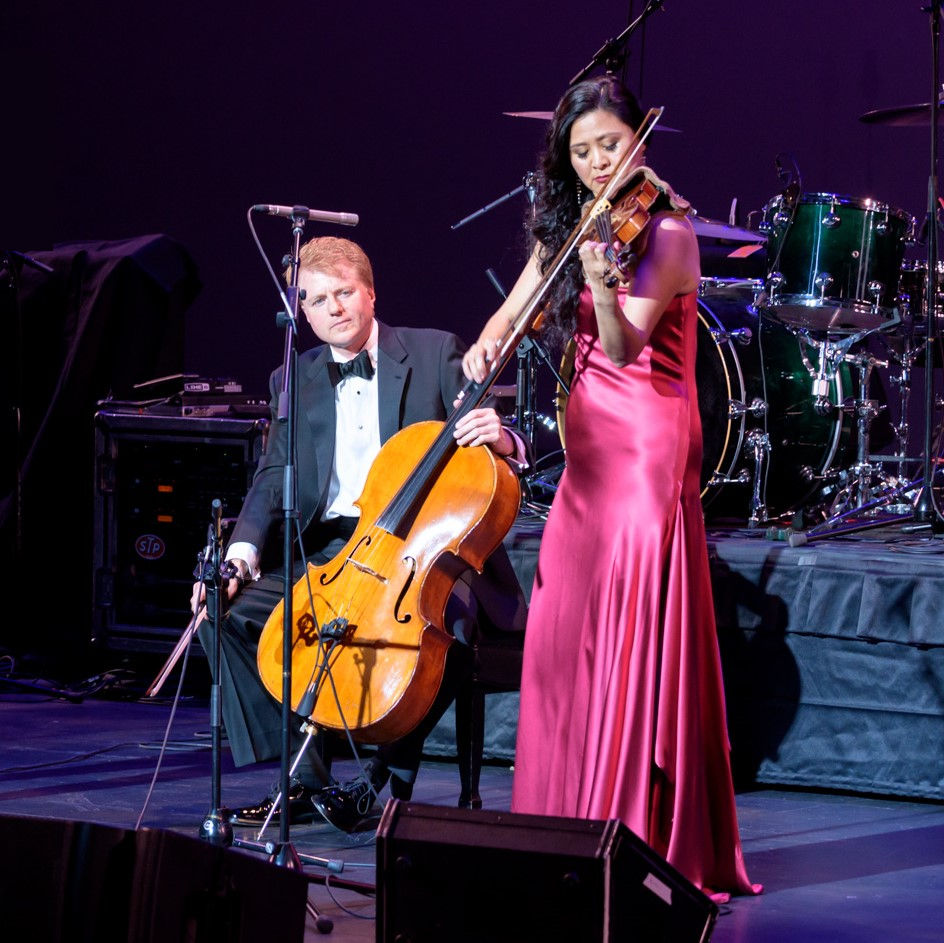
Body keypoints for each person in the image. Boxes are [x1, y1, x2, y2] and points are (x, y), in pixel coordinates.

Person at [463, 75, 760, 899]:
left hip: (646, 446)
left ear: (640, 140)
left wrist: (597, 280)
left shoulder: (667, 231)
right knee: (565, 622)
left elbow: (627, 346)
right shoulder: (576, 219)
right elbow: (525, 288)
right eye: (581, 148)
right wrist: (490, 335)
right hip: (589, 446)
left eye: (609, 144)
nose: (597, 161)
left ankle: (627, 824)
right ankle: (561, 814)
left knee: (627, 621)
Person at [193, 236, 527, 832]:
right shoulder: (291, 378)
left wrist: (500, 439)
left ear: (370, 294)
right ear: (302, 311)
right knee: (226, 615)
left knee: (440, 626)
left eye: (344, 293)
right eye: (317, 300)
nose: (333, 309)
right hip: (334, 551)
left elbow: (496, 444)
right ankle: (304, 778)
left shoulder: (434, 352)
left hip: (425, 545)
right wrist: (241, 553)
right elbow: (274, 472)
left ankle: (381, 780)